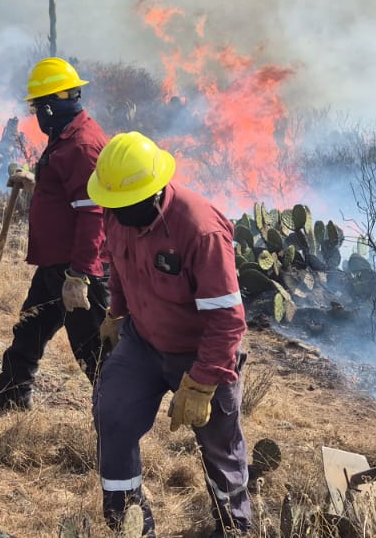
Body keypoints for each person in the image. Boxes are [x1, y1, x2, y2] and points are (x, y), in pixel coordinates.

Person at [87, 132, 250, 536]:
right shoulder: (117, 210)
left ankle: (234, 526)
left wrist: (203, 382)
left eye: (127, 205)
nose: (117, 214)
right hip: (143, 341)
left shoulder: (200, 229)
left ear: (155, 192)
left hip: (200, 351)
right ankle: (127, 520)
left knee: (219, 447)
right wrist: (116, 314)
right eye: (112, 205)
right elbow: (119, 266)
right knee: (112, 413)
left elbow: (227, 319)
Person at [0, 58, 110, 415]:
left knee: (94, 350)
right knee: (29, 329)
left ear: (50, 106)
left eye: (36, 107)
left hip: (77, 269)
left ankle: (117, 418)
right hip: (56, 262)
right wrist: (35, 183)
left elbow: (93, 213)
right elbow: (68, 193)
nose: (35, 114)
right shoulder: (68, 134)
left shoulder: (81, 145)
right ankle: (13, 393)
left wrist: (79, 276)